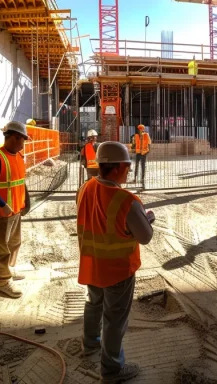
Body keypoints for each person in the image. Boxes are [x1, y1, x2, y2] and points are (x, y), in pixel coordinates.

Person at [77, 141, 154, 383]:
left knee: (94, 303)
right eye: (127, 166)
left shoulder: (85, 188)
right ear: (119, 167)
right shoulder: (126, 200)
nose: (129, 170)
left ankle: (90, 343)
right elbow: (145, 237)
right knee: (115, 319)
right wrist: (146, 219)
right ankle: (111, 370)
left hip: (92, 262)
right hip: (118, 270)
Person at [0, 121, 32, 298]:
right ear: (15, 137)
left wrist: (26, 201)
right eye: (23, 140)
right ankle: (2, 281)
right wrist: (2, 205)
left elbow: (20, 181)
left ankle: (9, 269)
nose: (23, 144)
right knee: (0, 248)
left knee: (14, 243)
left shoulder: (18, 156)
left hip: (15, 210)